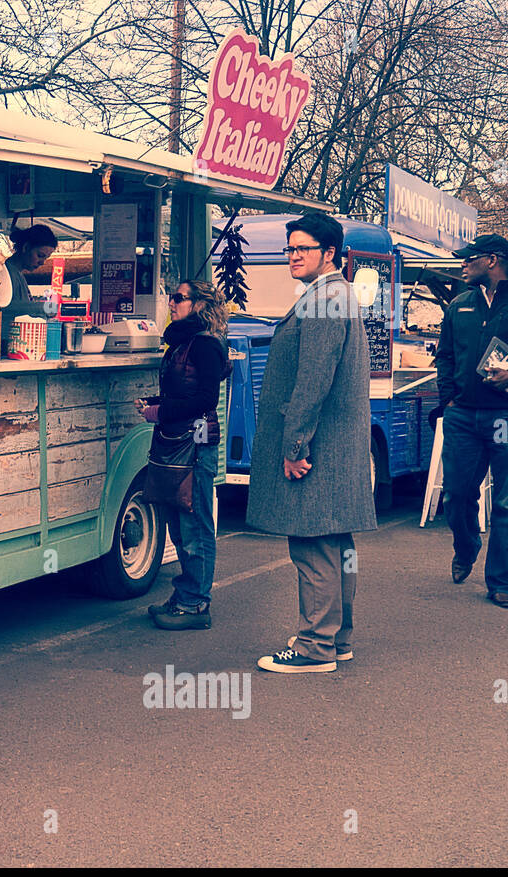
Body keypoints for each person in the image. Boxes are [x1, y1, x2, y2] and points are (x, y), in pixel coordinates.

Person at [248, 212, 376, 673]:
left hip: (319, 446)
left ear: (330, 254)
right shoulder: (335, 295)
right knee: (335, 543)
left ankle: (315, 648)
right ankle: (336, 638)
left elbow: (313, 381)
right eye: (290, 248)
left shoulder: (326, 299)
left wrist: (295, 447)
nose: (294, 256)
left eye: (303, 248)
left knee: (312, 544)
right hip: (337, 444)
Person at [435, 233, 508, 608]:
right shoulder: (459, 306)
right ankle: (466, 547)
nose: (463, 265)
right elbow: (446, 356)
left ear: (493, 261)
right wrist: (449, 399)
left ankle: (503, 582)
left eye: (470, 259)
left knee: (507, 502)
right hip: (463, 415)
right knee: (456, 495)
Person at [141, 280, 230, 629]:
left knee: (194, 525)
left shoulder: (205, 344)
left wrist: (160, 411)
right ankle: (186, 595)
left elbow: (206, 399)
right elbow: (184, 391)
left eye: (178, 298)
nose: (172, 302)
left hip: (194, 444)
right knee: (179, 525)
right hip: (177, 441)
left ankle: (195, 604)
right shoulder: (182, 341)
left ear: (198, 304)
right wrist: (157, 404)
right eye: (172, 297)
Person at [3, 224, 58, 319]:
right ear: (26, 247)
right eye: (40, 255)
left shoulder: (18, 274)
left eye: (46, 258)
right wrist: (42, 307)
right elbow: (3, 307)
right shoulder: (5, 272)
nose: (42, 262)